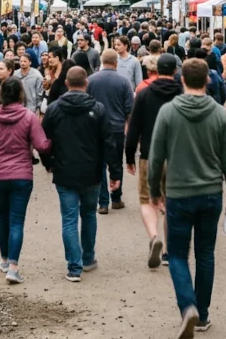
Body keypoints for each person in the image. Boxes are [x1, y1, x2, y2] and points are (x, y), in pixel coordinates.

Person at [149, 59, 226, 337]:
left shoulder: (168, 112)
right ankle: (202, 314)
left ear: (182, 80)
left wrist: (155, 191)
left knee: (177, 254)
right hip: (210, 193)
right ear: (208, 81)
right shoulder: (219, 114)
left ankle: (188, 306)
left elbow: (156, 157)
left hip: (179, 193)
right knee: (205, 254)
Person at [41, 67, 123, 282]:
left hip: (64, 170)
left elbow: (44, 141)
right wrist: (115, 172)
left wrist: (48, 163)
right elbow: (109, 143)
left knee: (69, 219)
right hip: (92, 171)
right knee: (88, 215)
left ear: (66, 83)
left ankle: (74, 267)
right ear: (86, 84)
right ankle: (88, 258)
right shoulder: (98, 109)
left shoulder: (54, 109)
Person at [0, 79, 52, 284]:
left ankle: (4, 260)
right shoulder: (29, 117)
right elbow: (42, 145)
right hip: (22, 175)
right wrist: (55, 140)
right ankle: (13, 268)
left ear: (1, 94)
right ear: (21, 94)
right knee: (17, 221)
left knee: (2, 218)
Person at [125, 53, 184, 270]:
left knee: (147, 200)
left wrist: (130, 155)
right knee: (172, 201)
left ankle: (154, 236)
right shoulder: (182, 93)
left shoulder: (145, 93)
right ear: (175, 71)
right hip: (178, 156)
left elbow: (134, 126)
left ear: (156, 70)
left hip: (149, 154)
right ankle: (170, 250)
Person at [88, 49, 135, 214]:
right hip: (116, 128)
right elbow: (129, 109)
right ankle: (116, 197)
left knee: (99, 164)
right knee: (116, 163)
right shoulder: (123, 82)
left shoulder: (91, 80)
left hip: (95, 128)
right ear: (116, 63)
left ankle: (102, 203)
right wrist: (130, 129)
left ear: (101, 62)